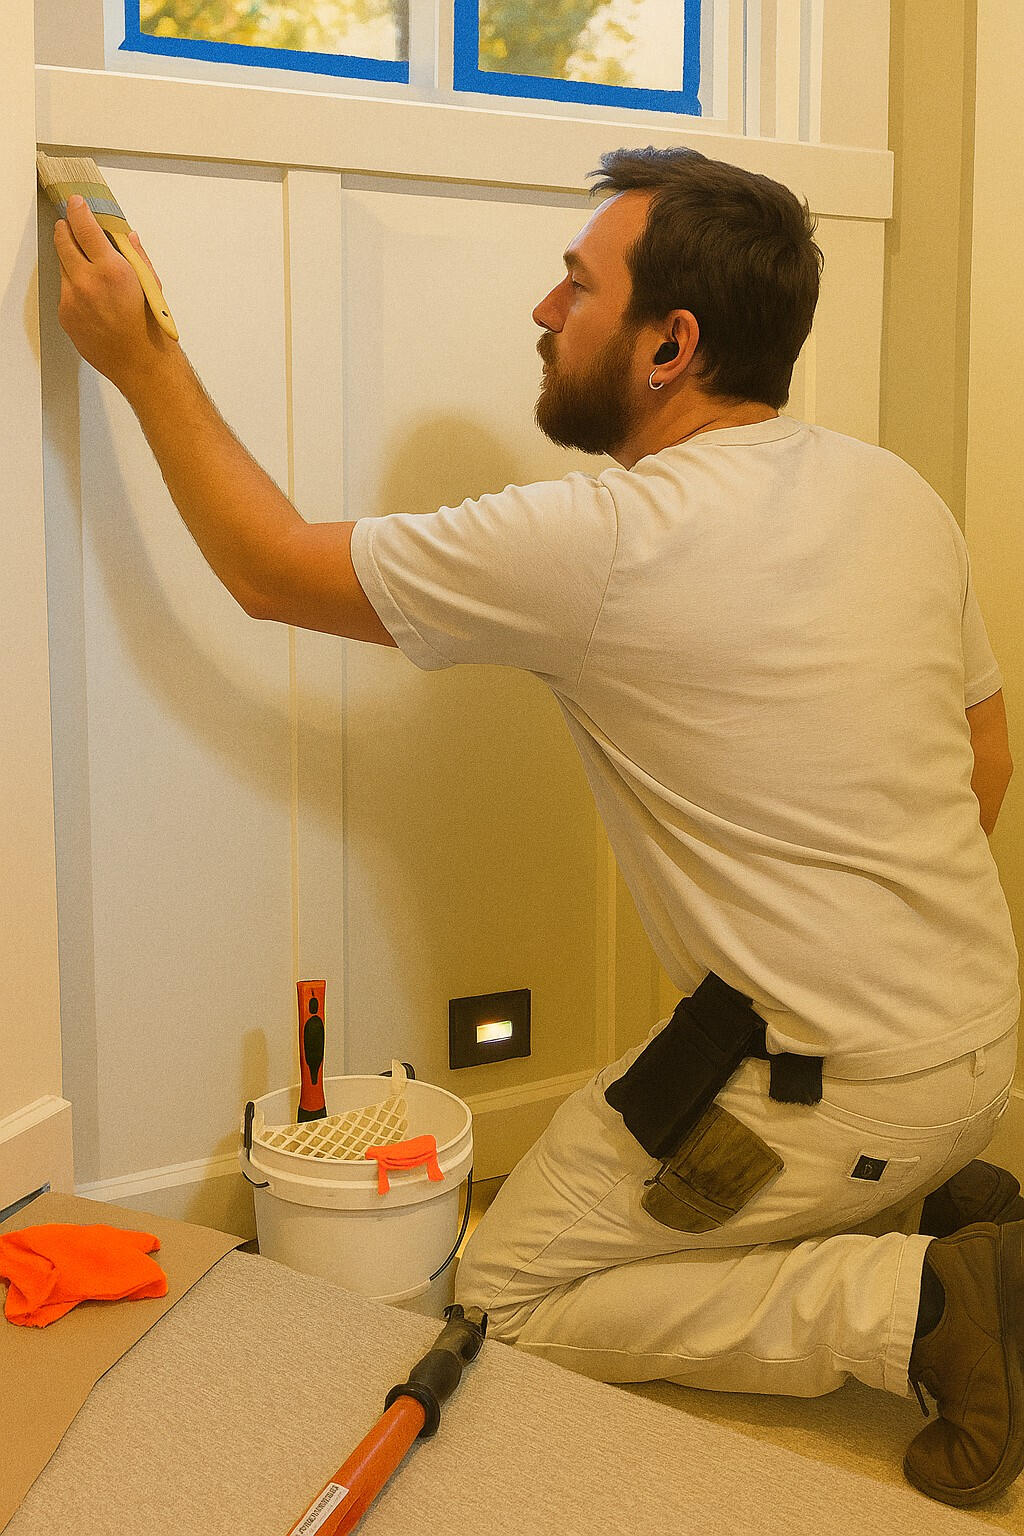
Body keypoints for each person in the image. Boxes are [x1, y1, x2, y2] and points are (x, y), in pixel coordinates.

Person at [52, 144, 1020, 1508]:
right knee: (730, 1144)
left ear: (670, 344)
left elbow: (269, 570)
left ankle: (912, 1303)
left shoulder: (609, 537)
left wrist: (139, 358)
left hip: (818, 1094)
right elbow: (986, 758)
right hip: (983, 1046)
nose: (544, 310)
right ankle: (928, 1195)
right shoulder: (893, 492)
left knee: (501, 1301)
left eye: (577, 284)